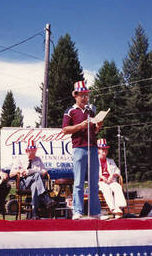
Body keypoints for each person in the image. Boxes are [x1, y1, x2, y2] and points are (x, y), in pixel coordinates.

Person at [62, 81, 103, 220]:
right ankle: (77, 211)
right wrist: (80, 125)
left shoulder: (91, 110)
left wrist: (98, 126)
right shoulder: (70, 111)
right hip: (79, 148)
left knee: (94, 182)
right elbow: (65, 130)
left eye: (86, 95)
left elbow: (95, 131)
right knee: (79, 182)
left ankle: (95, 212)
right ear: (76, 96)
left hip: (92, 148)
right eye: (82, 95)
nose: (85, 98)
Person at [9, 140, 56, 219]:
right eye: (31, 151)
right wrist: (20, 171)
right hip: (23, 183)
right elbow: (11, 174)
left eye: (34, 151)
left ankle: (34, 213)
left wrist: (33, 171)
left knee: (35, 185)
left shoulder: (38, 159)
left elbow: (44, 172)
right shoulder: (19, 159)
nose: (33, 154)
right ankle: (45, 198)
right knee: (37, 176)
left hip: (35, 183)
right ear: (26, 151)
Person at [97, 138, 126, 219]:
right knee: (106, 188)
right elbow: (91, 172)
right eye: (102, 149)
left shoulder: (110, 160)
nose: (104, 151)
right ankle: (113, 208)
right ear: (98, 150)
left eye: (106, 149)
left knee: (117, 187)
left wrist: (112, 175)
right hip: (100, 182)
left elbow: (118, 171)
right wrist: (101, 177)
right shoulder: (94, 161)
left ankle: (119, 209)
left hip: (110, 181)